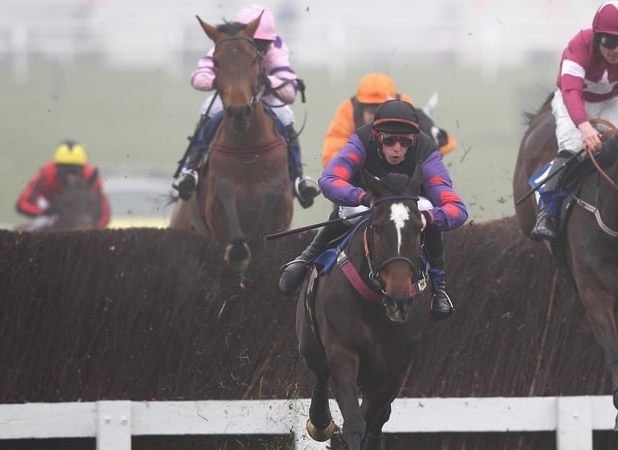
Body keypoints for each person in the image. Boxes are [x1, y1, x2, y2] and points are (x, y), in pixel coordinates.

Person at [278, 99, 468, 321]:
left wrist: (427, 217)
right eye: (389, 141)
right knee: (347, 210)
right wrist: (364, 197)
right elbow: (329, 180)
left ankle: (439, 286)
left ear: (414, 140)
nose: (397, 148)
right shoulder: (361, 139)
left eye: (405, 142)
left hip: (410, 209)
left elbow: (457, 208)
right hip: (369, 202)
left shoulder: (425, 149)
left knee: (427, 209)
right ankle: (307, 258)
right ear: (378, 137)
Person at [172, 4, 320, 208]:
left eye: (262, 44)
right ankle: (191, 170)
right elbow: (197, 77)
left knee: (286, 118)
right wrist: (216, 83)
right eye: (255, 43)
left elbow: (290, 93)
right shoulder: (223, 44)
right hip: (230, 98)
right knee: (210, 111)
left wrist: (269, 82)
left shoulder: (276, 47)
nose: (259, 49)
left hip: (265, 98)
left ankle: (298, 179)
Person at [530, 1, 618, 241]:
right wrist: (584, 127)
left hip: (610, 101)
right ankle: (547, 213)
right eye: (609, 42)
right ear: (597, 38)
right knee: (573, 147)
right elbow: (571, 91)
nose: (617, 50)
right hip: (573, 100)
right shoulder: (579, 44)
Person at [321, 72, 457, 167]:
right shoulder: (347, 110)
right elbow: (330, 159)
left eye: (382, 108)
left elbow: (442, 145)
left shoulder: (405, 106)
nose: (377, 116)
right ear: (360, 106)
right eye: (371, 110)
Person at [16, 139, 110, 229]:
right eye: (65, 170)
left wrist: (94, 230)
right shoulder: (47, 173)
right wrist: (44, 212)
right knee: (38, 226)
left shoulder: (91, 175)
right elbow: (22, 204)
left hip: (80, 212)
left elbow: (105, 214)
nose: (70, 176)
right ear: (56, 167)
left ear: (82, 168)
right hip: (50, 208)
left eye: (74, 170)